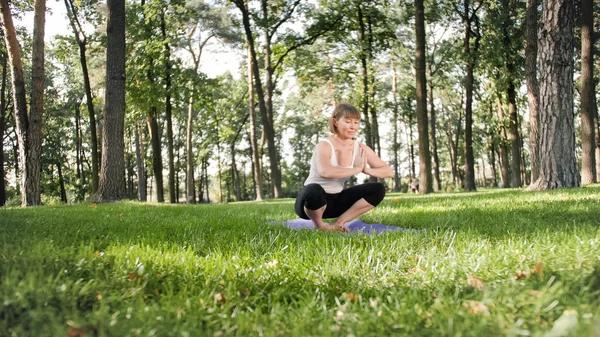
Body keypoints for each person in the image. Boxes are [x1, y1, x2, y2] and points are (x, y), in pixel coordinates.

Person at [294, 103, 393, 231]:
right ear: (335, 122)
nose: (353, 127)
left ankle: (339, 223)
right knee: (314, 189)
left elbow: (388, 171)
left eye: (356, 122)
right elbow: (325, 172)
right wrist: (356, 169)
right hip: (310, 204)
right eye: (348, 122)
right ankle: (319, 225)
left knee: (378, 189)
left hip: (336, 202)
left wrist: (366, 169)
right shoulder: (324, 145)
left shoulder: (360, 148)